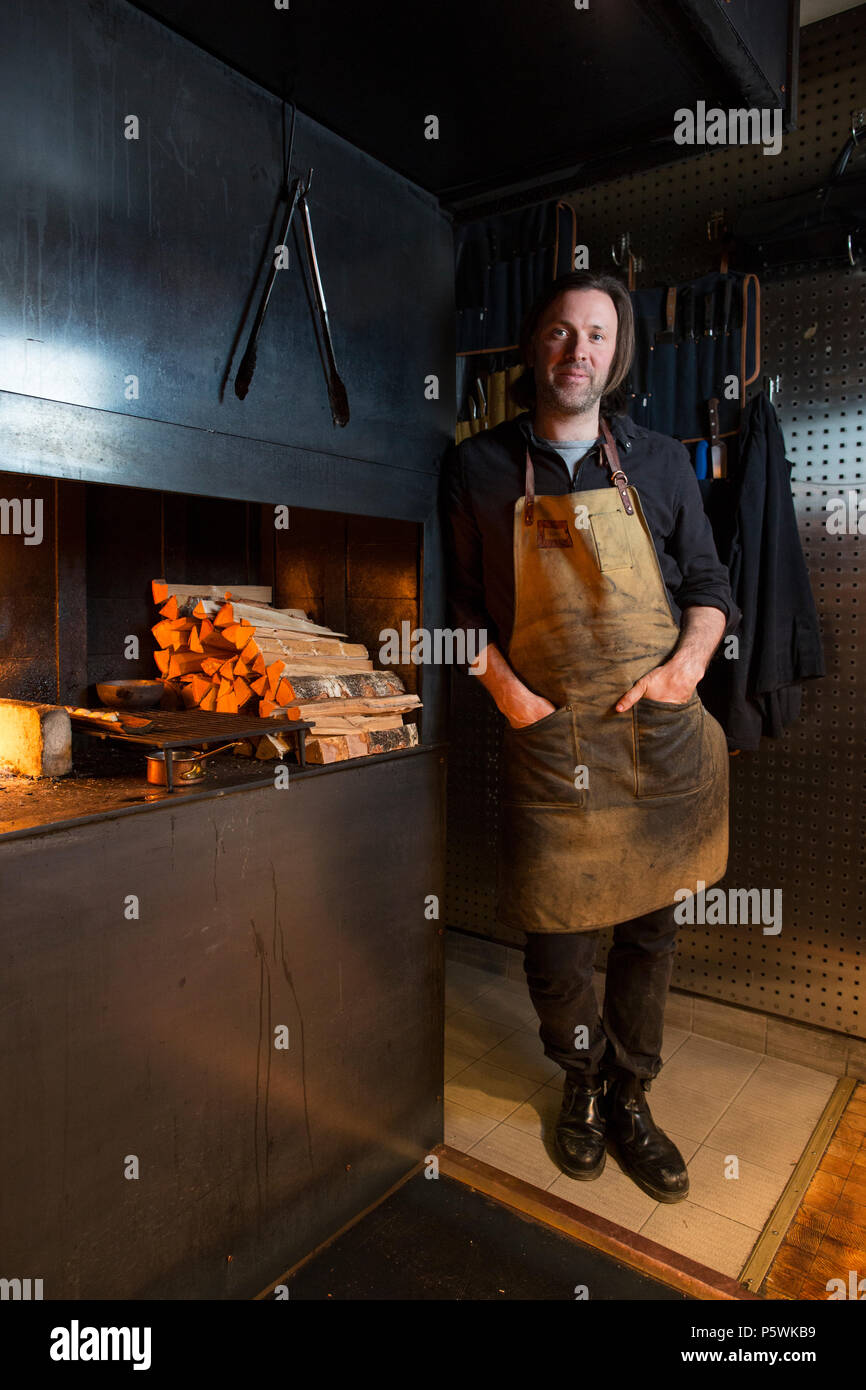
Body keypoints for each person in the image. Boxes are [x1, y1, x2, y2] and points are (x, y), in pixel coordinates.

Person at [441, 270, 740, 1204]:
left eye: (600, 336)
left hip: (659, 738)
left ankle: (631, 1097)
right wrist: (508, 695)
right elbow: (452, 613)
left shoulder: (658, 460)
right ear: (536, 347)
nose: (580, 352)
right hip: (550, 741)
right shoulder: (478, 468)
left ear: (619, 355)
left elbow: (711, 590)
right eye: (564, 334)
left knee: (650, 934)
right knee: (558, 947)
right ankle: (582, 1078)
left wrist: (685, 669)